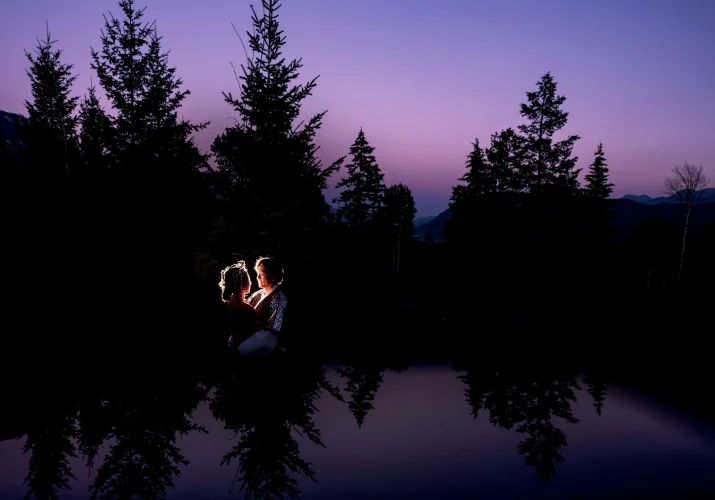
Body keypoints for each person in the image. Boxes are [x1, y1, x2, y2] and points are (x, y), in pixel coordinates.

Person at [237, 256, 288, 357]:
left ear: (273, 276)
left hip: (261, 352)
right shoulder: (256, 295)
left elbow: (271, 335)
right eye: (257, 273)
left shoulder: (279, 300)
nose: (258, 277)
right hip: (244, 341)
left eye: (262, 274)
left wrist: (243, 348)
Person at [218, 261, 261, 349]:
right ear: (241, 284)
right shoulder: (246, 309)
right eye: (248, 279)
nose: (251, 282)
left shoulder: (226, 305)